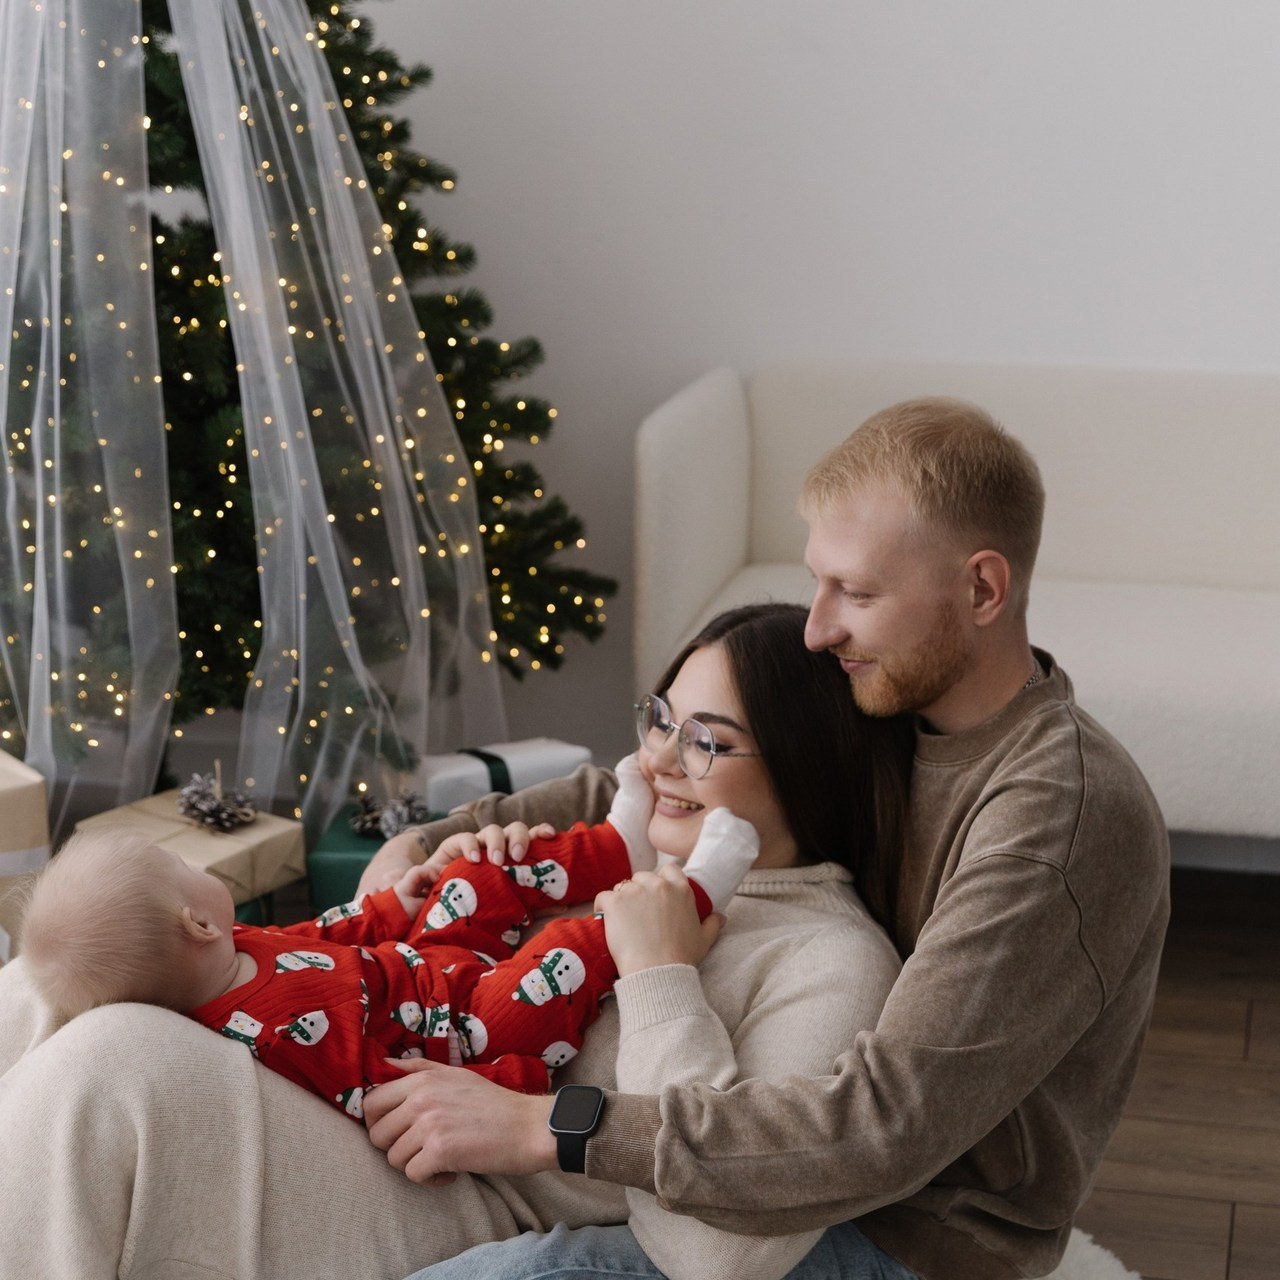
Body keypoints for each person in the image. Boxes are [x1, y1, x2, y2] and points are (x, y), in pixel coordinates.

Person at [360, 397, 1170, 1280]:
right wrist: (437, 838)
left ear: (982, 590)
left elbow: (881, 1128)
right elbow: (665, 770)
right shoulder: (902, 689)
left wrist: (548, 1126)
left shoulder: (1055, 820)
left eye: (857, 592)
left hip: (905, 1232)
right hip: (774, 1148)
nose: (818, 628)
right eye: (818, 582)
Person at [0, 601, 912, 1280]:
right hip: (370, 1085)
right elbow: (443, 967)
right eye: (662, 720)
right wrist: (455, 882)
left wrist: (658, 974)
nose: (661, 758)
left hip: (456, 1187)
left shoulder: (828, 959)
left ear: (805, 761)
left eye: (706, 741)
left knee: (105, 1066)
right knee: (39, 984)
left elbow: (720, 1256)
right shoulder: (626, 852)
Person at [17, 796, 758, 1121]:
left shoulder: (239, 943)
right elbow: (382, 1091)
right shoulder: (268, 1032)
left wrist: (396, 903)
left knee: (472, 872)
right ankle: (695, 890)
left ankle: (614, 848)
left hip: (423, 959)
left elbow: (330, 932)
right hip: (469, 1027)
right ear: (196, 923)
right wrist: (511, 1088)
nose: (192, 863)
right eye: (177, 864)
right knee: (567, 946)